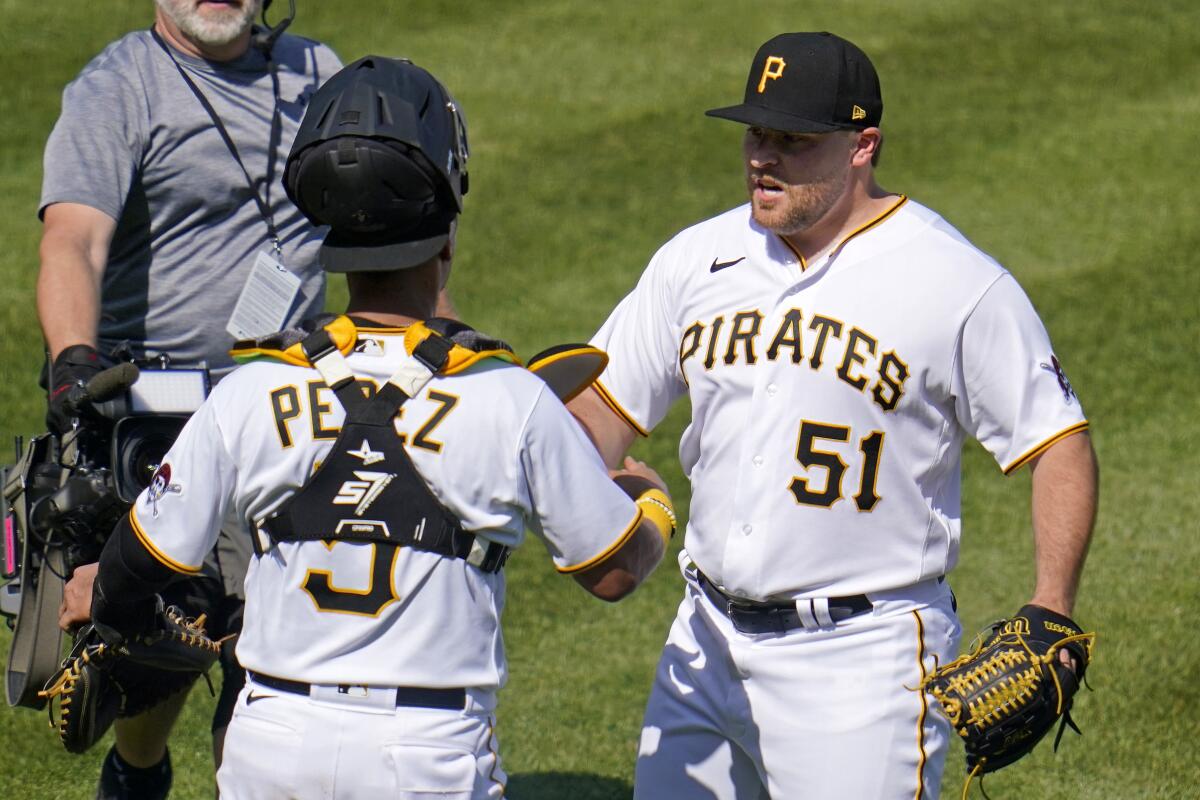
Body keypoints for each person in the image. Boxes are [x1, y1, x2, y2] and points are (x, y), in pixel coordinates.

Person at [63, 55, 672, 799]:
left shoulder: (250, 389)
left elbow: (136, 567)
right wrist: (650, 503)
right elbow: (612, 570)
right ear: (446, 235)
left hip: (271, 745)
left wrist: (119, 610)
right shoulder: (510, 399)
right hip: (425, 756)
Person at [567, 32, 1099, 799]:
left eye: (793, 139)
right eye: (756, 132)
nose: (763, 156)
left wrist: (1051, 606)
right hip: (705, 639)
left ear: (862, 145)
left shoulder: (953, 281)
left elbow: (1058, 441)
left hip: (862, 663)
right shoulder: (696, 259)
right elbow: (602, 409)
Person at [42, 1, 341, 796]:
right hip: (162, 422)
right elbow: (73, 238)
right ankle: (136, 767)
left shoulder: (320, 75)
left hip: (292, 410)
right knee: (177, 635)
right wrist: (73, 359)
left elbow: (387, 216)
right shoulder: (121, 85)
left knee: (263, 645)